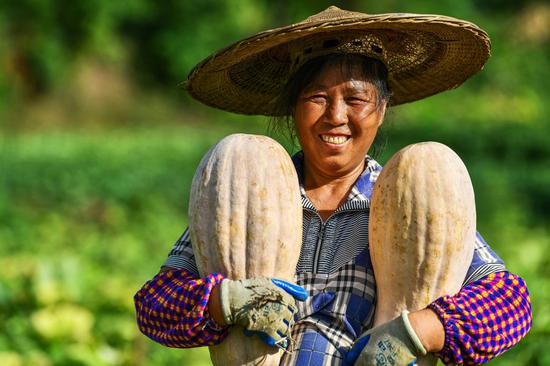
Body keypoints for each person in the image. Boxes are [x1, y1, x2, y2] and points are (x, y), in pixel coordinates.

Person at [134, 6, 532, 365]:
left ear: (382, 110)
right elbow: (154, 307)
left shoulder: (412, 199)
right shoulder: (245, 194)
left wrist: (420, 332)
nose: (335, 116)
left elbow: (511, 305)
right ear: (293, 109)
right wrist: (227, 302)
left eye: (355, 99)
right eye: (317, 97)